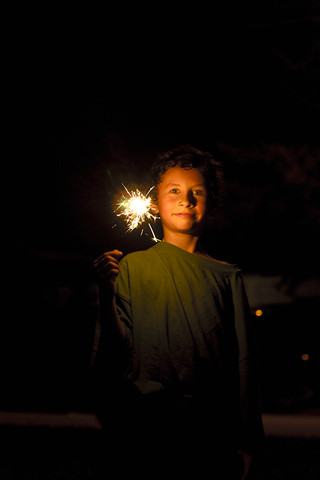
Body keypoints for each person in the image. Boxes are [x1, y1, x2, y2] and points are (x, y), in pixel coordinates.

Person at [92, 145, 264, 479]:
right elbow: (116, 348)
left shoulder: (227, 276)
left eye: (196, 192)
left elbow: (244, 364)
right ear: (153, 202)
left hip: (209, 432)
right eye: (174, 191)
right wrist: (105, 292)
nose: (185, 200)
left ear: (211, 203)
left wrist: (248, 438)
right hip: (144, 426)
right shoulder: (131, 267)